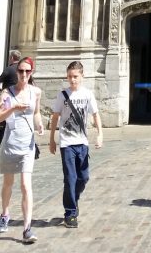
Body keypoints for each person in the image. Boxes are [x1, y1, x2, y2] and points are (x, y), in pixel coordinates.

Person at [0, 56, 43, 244]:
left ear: (31, 73)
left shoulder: (36, 92)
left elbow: (36, 113)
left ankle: (27, 228)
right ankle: (5, 213)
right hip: (10, 144)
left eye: (27, 71)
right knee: (8, 184)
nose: (23, 74)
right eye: (20, 71)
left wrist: (39, 125)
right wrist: (12, 108)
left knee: (25, 185)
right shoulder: (7, 94)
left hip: (27, 146)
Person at [49, 60, 103, 228]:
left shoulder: (87, 94)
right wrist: (52, 139)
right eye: (69, 77)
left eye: (75, 77)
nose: (72, 80)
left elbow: (95, 114)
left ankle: (74, 197)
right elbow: (55, 117)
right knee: (70, 178)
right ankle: (70, 213)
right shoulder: (62, 95)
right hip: (67, 143)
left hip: (82, 142)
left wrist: (100, 134)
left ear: (82, 76)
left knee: (84, 177)